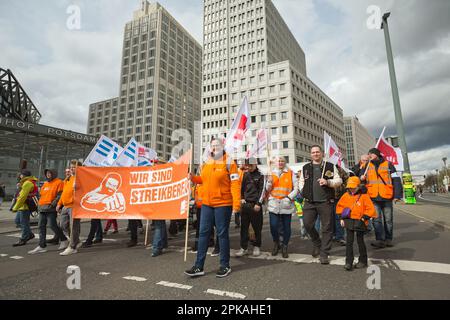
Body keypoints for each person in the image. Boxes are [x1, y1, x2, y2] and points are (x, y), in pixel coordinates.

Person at [185, 137, 241, 278]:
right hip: (207, 204)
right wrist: (193, 178)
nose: (215, 147)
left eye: (218, 145)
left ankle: (225, 265)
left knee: (222, 235)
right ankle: (199, 266)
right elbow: (203, 180)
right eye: (213, 145)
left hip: (223, 204)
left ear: (223, 146)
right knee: (203, 233)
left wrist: (236, 204)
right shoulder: (207, 162)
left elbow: (235, 184)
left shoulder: (229, 162)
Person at [299, 145, 343, 265]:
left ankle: (324, 253)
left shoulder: (329, 166)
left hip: (325, 202)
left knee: (327, 228)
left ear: (322, 153)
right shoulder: (305, 167)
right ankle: (317, 243)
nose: (315, 154)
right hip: (309, 202)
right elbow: (301, 181)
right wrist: (303, 190)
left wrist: (328, 182)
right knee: (307, 224)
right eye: (313, 152)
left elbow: (339, 181)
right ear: (310, 154)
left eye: (317, 152)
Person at [360, 148, 403, 249]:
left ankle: (388, 239)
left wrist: (397, 195)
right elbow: (360, 177)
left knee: (388, 220)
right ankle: (380, 240)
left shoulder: (388, 165)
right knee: (376, 220)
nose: (369, 156)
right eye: (369, 154)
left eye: (371, 154)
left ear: (377, 154)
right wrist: (361, 177)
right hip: (373, 196)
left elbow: (396, 180)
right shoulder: (367, 165)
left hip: (387, 196)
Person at [336, 177, 377, 271]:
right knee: (349, 242)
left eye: (353, 187)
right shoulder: (345, 195)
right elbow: (340, 206)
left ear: (359, 186)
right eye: (350, 187)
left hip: (360, 221)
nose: (351, 189)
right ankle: (348, 262)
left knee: (360, 241)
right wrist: (341, 218)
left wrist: (364, 218)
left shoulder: (364, 196)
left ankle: (363, 261)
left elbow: (370, 209)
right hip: (349, 220)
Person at [266, 156, 299, 259]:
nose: (280, 162)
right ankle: (276, 243)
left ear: (285, 162)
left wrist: (289, 198)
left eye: (282, 161)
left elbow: (296, 188)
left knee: (286, 227)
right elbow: (267, 189)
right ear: (275, 163)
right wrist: (269, 182)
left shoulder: (291, 173)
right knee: (273, 226)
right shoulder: (271, 173)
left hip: (286, 203)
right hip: (274, 203)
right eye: (278, 161)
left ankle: (285, 246)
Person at [28, 169, 67, 254]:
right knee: (41, 227)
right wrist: (39, 205)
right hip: (42, 208)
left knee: (52, 225)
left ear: (54, 173)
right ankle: (41, 246)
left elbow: (60, 195)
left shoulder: (59, 182)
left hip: (51, 208)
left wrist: (53, 204)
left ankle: (64, 240)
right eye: (47, 173)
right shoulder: (45, 184)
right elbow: (41, 195)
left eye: (50, 173)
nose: (48, 175)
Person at [235, 158, 265, 257]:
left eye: (250, 165)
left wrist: (258, 204)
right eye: (247, 165)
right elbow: (242, 189)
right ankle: (244, 248)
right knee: (244, 228)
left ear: (255, 164)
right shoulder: (245, 174)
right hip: (245, 205)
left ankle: (257, 246)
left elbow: (262, 191)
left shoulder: (261, 175)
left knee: (257, 227)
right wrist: (242, 198)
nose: (248, 167)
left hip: (255, 205)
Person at [59, 160, 83, 256]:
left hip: (74, 205)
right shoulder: (68, 178)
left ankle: (72, 246)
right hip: (65, 205)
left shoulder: (81, 178)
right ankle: (76, 240)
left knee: (74, 226)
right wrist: (59, 203)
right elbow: (64, 192)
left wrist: (78, 186)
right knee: (63, 224)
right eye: (71, 167)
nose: (72, 168)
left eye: (74, 167)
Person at [11, 170, 38, 247]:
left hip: (25, 206)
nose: (20, 176)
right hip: (22, 206)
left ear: (24, 175)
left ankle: (24, 238)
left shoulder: (27, 183)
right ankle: (29, 234)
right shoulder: (26, 182)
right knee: (18, 221)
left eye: (21, 175)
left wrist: (15, 207)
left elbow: (22, 197)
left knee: (23, 223)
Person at [333, 166, 348, 246]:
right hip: (327, 197)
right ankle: (332, 235)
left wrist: (344, 188)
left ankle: (340, 236)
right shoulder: (324, 168)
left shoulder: (341, 170)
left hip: (339, 197)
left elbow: (347, 180)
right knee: (329, 218)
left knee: (338, 217)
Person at [234, 160, 248, 229]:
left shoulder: (246, 171)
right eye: (240, 164)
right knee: (237, 209)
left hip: (245, 192)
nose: (242, 165)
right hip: (237, 192)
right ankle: (237, 223)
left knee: (243, 208)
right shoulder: (236, 171)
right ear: (238, 165)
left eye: (243, 163)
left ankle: (243, 222)